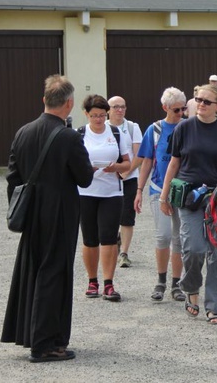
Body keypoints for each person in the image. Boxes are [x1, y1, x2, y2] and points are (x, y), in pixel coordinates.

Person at [2, 75, 93, 363]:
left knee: (32, 273)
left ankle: (33, 335)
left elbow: (13, 178)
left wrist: (24, 209)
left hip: (32, 214)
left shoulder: (23, 132)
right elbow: (85, 178)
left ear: (44, 100)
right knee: (54, 275)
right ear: (69, 103)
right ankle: (45, 345)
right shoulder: (69, 137)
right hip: (59, 214)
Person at [159, 84, 217, 324]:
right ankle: (191, 289)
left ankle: (214, 307)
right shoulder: (184, 127)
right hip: (189, 197)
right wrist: (164, 196)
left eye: (206, 101)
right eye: (198, 100)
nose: (200, 104)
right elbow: (173, 164)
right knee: (193, 249)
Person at [134, 87, 187, 303]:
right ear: (165, 107)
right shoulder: (155, 129)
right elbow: (147, 161)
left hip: (183, 190)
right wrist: (139, 190)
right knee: (163, 235)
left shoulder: (189, 127)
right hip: (158, 189)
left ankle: (176, 283)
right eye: (176, 109)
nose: (181, 113)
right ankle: (161, 280)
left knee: (179, 239)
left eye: (183, 108)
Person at [78, 94, 133, 302]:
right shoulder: (80, 134)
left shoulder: (117, 133)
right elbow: (72, 164)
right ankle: (92, 281)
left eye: (102, 115)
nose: (99, 120)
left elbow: (128, 163)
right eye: (94, 116)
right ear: (86, 114)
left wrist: (115, 167)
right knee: (89, 239)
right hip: (85, 192)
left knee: (108, 237)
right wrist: (86, 170)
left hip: (112, 192)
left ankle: (109, 283)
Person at [107, 96, 143, 268]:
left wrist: (126, 172)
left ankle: (124, 252)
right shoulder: (103, 127)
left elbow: (139, 154)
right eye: (115, 107)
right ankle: (112, 246)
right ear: (109, 109)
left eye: (122, 107)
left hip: (129, 177)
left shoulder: (132, 127)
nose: (119, 110)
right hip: (108, 178)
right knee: (111, 213)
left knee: (127, 215)